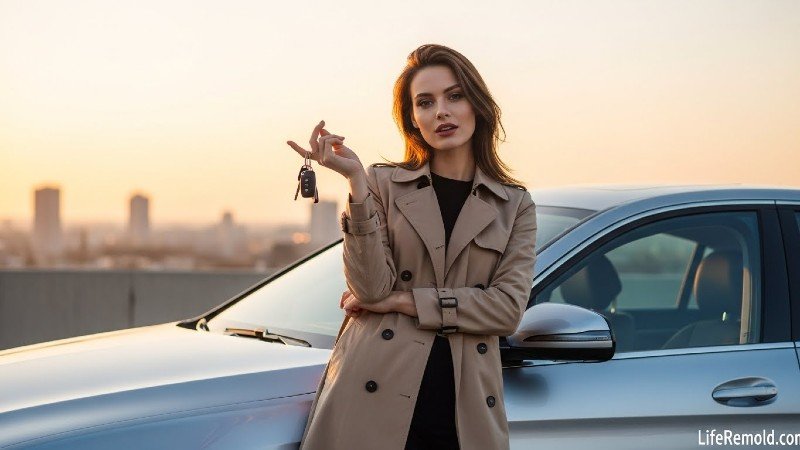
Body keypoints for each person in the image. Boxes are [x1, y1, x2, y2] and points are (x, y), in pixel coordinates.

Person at [287, 44, 537, 450]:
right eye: (425, 102)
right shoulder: (382, 184)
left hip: (464, 409)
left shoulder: (514, 205)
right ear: (413, 119)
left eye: (454, 96)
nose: (441, 111)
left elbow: (507, 310)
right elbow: (370, 291)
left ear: (478, 105)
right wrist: (355, 183)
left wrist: (404, 302)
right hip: (371, 397)